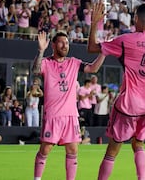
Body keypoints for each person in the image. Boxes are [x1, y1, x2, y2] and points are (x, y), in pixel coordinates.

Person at [88, 2, 145, 180]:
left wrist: (95, 23)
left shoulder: (126, 40)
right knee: (138, 144)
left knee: (112, 150)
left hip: (130, 105)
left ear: (135, 19)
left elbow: (93, 48)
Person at [32, 31, 106, 180]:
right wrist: (40, 51)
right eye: (61, 42)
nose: (65, 45)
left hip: (71, 115)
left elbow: (93, 68)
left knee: (73, 150)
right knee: (45, 149)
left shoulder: (74, 62)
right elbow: (35, 70)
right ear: (53, 45)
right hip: (53, 114)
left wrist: (104, 53)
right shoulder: (46, 62)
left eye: (66, 43)